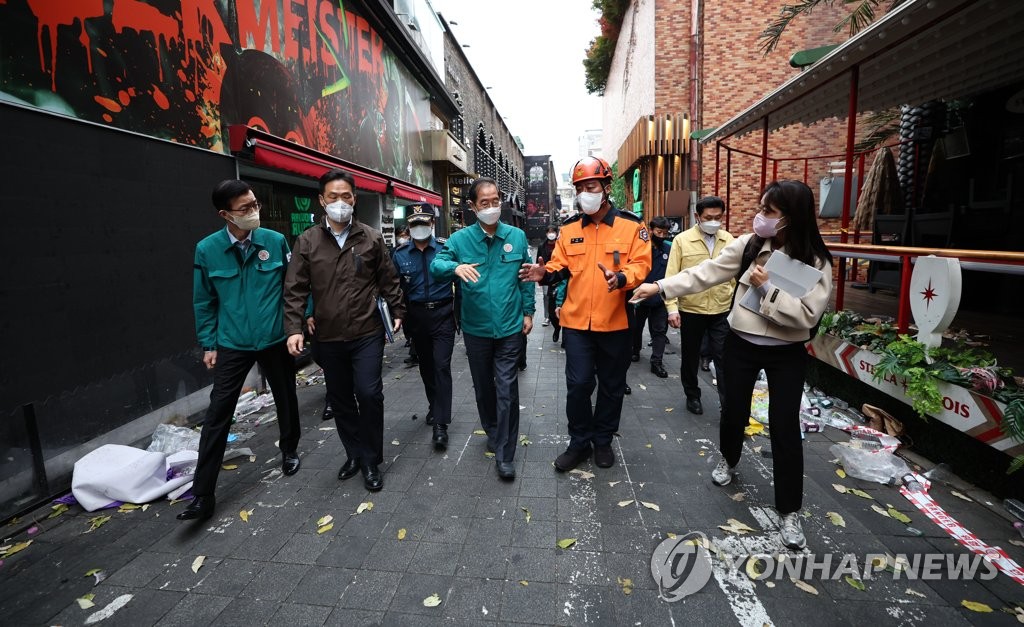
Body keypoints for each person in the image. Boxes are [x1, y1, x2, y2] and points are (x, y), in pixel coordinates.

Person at [631, 180, 833, 550]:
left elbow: (806, 316)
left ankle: (790, 511)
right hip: (741, 344)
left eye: (769, 213)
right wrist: (660, 288)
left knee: (785, 427)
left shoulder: (816, 261)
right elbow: (704, 273)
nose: (760, 218)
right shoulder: (749, 245)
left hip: (787, 352)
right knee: (733, 410)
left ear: (791, 217)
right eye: (760, 209)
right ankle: (728, 458)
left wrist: (765, 288)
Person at [519, 156, 651, 471]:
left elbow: (641, 265)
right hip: (577, 323)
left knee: (611, 385)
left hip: (616, 321)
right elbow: (559, 267)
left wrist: (621, 278)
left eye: (590, 186)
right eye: (579, 188)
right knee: (578, 385)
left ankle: (602, 440)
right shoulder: (569, 229)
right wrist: (543, 273)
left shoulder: (632, 226)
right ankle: (579, 443)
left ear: (606, 187)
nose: (584, 193)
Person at [180, 180, 302, 521]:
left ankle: (289, 449)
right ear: (225, 214)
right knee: (219, 411)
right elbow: (203, 300)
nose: (253, 212)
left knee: (285, 396)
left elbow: (293, 288)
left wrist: (299, 323)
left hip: (275, 336)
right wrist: (208, 342)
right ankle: (203, 494)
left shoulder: (275, 242)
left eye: (255, 205)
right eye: (244, 209)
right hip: (232, 341)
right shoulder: (207, 250)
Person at [284, 169, 404, 493]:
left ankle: (371, 460)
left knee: (369, 393)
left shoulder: (371, 238)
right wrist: (295, 328)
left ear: (355, 199)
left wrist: (398, 310)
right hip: (329, 336)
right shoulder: (307, 241)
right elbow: (295, 288)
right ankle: (354, 453)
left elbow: (388, 278)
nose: (340, 202)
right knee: (340, 400)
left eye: (346, 196)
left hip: (367, 332)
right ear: (322, 200)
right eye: (333, 197)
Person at [431, 177, 535, 480]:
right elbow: (435, 266)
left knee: (507, 388)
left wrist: (528, 311)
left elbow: (525, 277)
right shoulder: (460, 240)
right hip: (476, 329)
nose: (491, 208)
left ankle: (505, 453)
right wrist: (454, 267)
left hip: (509, 327)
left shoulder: (516, 236)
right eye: (484, 203)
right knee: (483, 388)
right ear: (473, 206)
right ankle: (492, 428)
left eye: (495, 202)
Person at [392, 204, 456, 449]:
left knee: (442, 366)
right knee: (427, 367)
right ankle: (434, 405)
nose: (420, 227)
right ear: (409, 227)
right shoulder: (399, 254)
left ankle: (441, 424)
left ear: (432, 224)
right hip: (416, 317)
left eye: (424, 223)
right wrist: (398, 315)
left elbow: (458, 279)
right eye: (414, 223)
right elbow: (395, 288)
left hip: (443, 314)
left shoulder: (445, 248)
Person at [664, 196, 735, 414]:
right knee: (690, 356)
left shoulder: (729, 240)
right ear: (697, 217)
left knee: (724, 358)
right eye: (708, 218)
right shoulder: (682, 240)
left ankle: (728, 404)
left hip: (721, 309)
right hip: (691, 309)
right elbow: (672, 275)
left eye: (718, 217)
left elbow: (734, 275)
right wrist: (672, 309)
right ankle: (692, 395)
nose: (713, 222)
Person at [630, 216, 673, 378]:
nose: (662, 236)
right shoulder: (642, 248)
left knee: (659, 331)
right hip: (640, 298)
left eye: (665, 233)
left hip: (660, 297)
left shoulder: (669, 249)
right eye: (659, 232)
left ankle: (657, 362)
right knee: (636, 328)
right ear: (651, 230)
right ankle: (635, 351)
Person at [538, 226, 559, 328]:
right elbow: (539, 260)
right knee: (546, 295)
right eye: (549, 232)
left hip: (559, 273)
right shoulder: (542, 246)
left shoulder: (560, 244)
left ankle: (558, 314)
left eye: (553, 232)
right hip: (546, 274)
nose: (551, 234)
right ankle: (547, 317)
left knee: (559, 295)